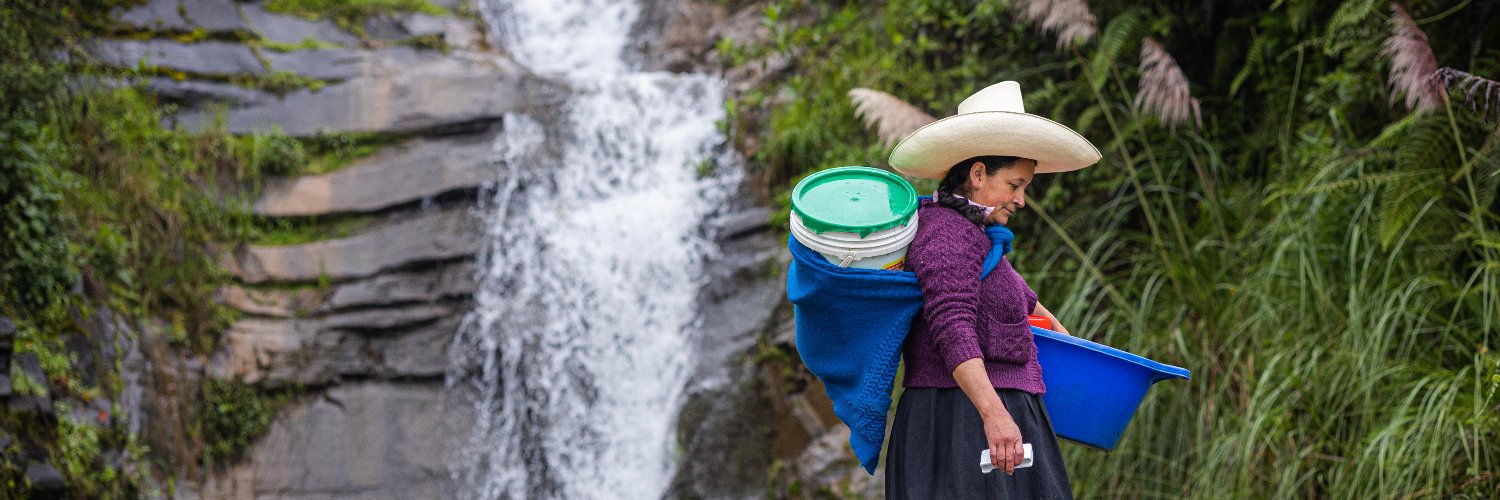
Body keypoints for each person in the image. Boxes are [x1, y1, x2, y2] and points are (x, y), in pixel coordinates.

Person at [883, 81, 1101, 499]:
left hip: (986, 420)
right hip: (959, 425)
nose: (1021, 200)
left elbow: (1026, 302)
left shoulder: (979, 238)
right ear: (979, 173)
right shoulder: (945, 234)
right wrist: (994, 414)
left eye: (1025, 188)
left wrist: (1072, 349)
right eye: (1015, 184)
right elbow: (952, 326)